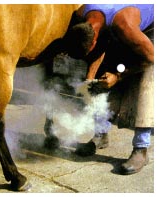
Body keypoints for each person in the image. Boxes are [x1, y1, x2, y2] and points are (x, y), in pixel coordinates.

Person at [66, 4, 154, 175]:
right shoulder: (82, 13)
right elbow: (100, 47)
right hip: (117, 30)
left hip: (150, 37)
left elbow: (151, 58)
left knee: (145, 85)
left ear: (94, 39)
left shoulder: (125, 24)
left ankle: (141, 149)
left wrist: (118, 76)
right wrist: (90, 78)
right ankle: (100, 135)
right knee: (101, 81)